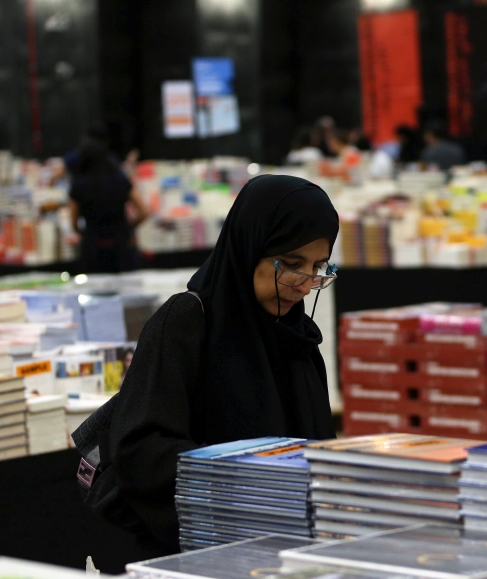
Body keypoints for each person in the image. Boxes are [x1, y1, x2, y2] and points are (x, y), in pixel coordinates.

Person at [107, 175, 340, 556]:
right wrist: (245, 477)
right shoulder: (187, 322)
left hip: (288, 552)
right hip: (198, 550)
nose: (304, 284)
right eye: (292, 264)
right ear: (249, 246)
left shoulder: (299, 336)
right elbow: (140, 450)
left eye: (319, 268)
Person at [68, 139, 149, 273]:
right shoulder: (120, 179)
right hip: (121, 245)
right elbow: (144, 211)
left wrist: (83, 233)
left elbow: (74, 222)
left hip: (92, 247)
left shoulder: (78, 185)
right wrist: (128, 226)